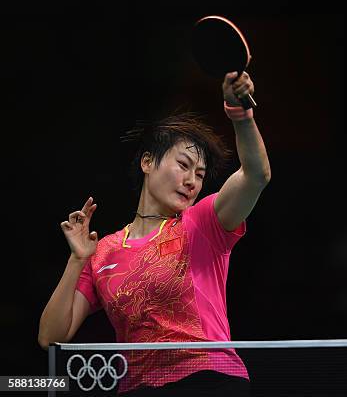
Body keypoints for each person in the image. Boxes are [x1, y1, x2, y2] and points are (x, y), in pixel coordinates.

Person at [38, 71, 270, 396]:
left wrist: (240, 113)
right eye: (183, 165)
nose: (192, 181)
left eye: (200, 174)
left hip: (207, 379)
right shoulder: (102, 251)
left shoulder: (201, 224)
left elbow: (256, 175)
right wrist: (78, 260)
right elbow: (51, 337)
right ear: (148, 162)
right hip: (137, 388)